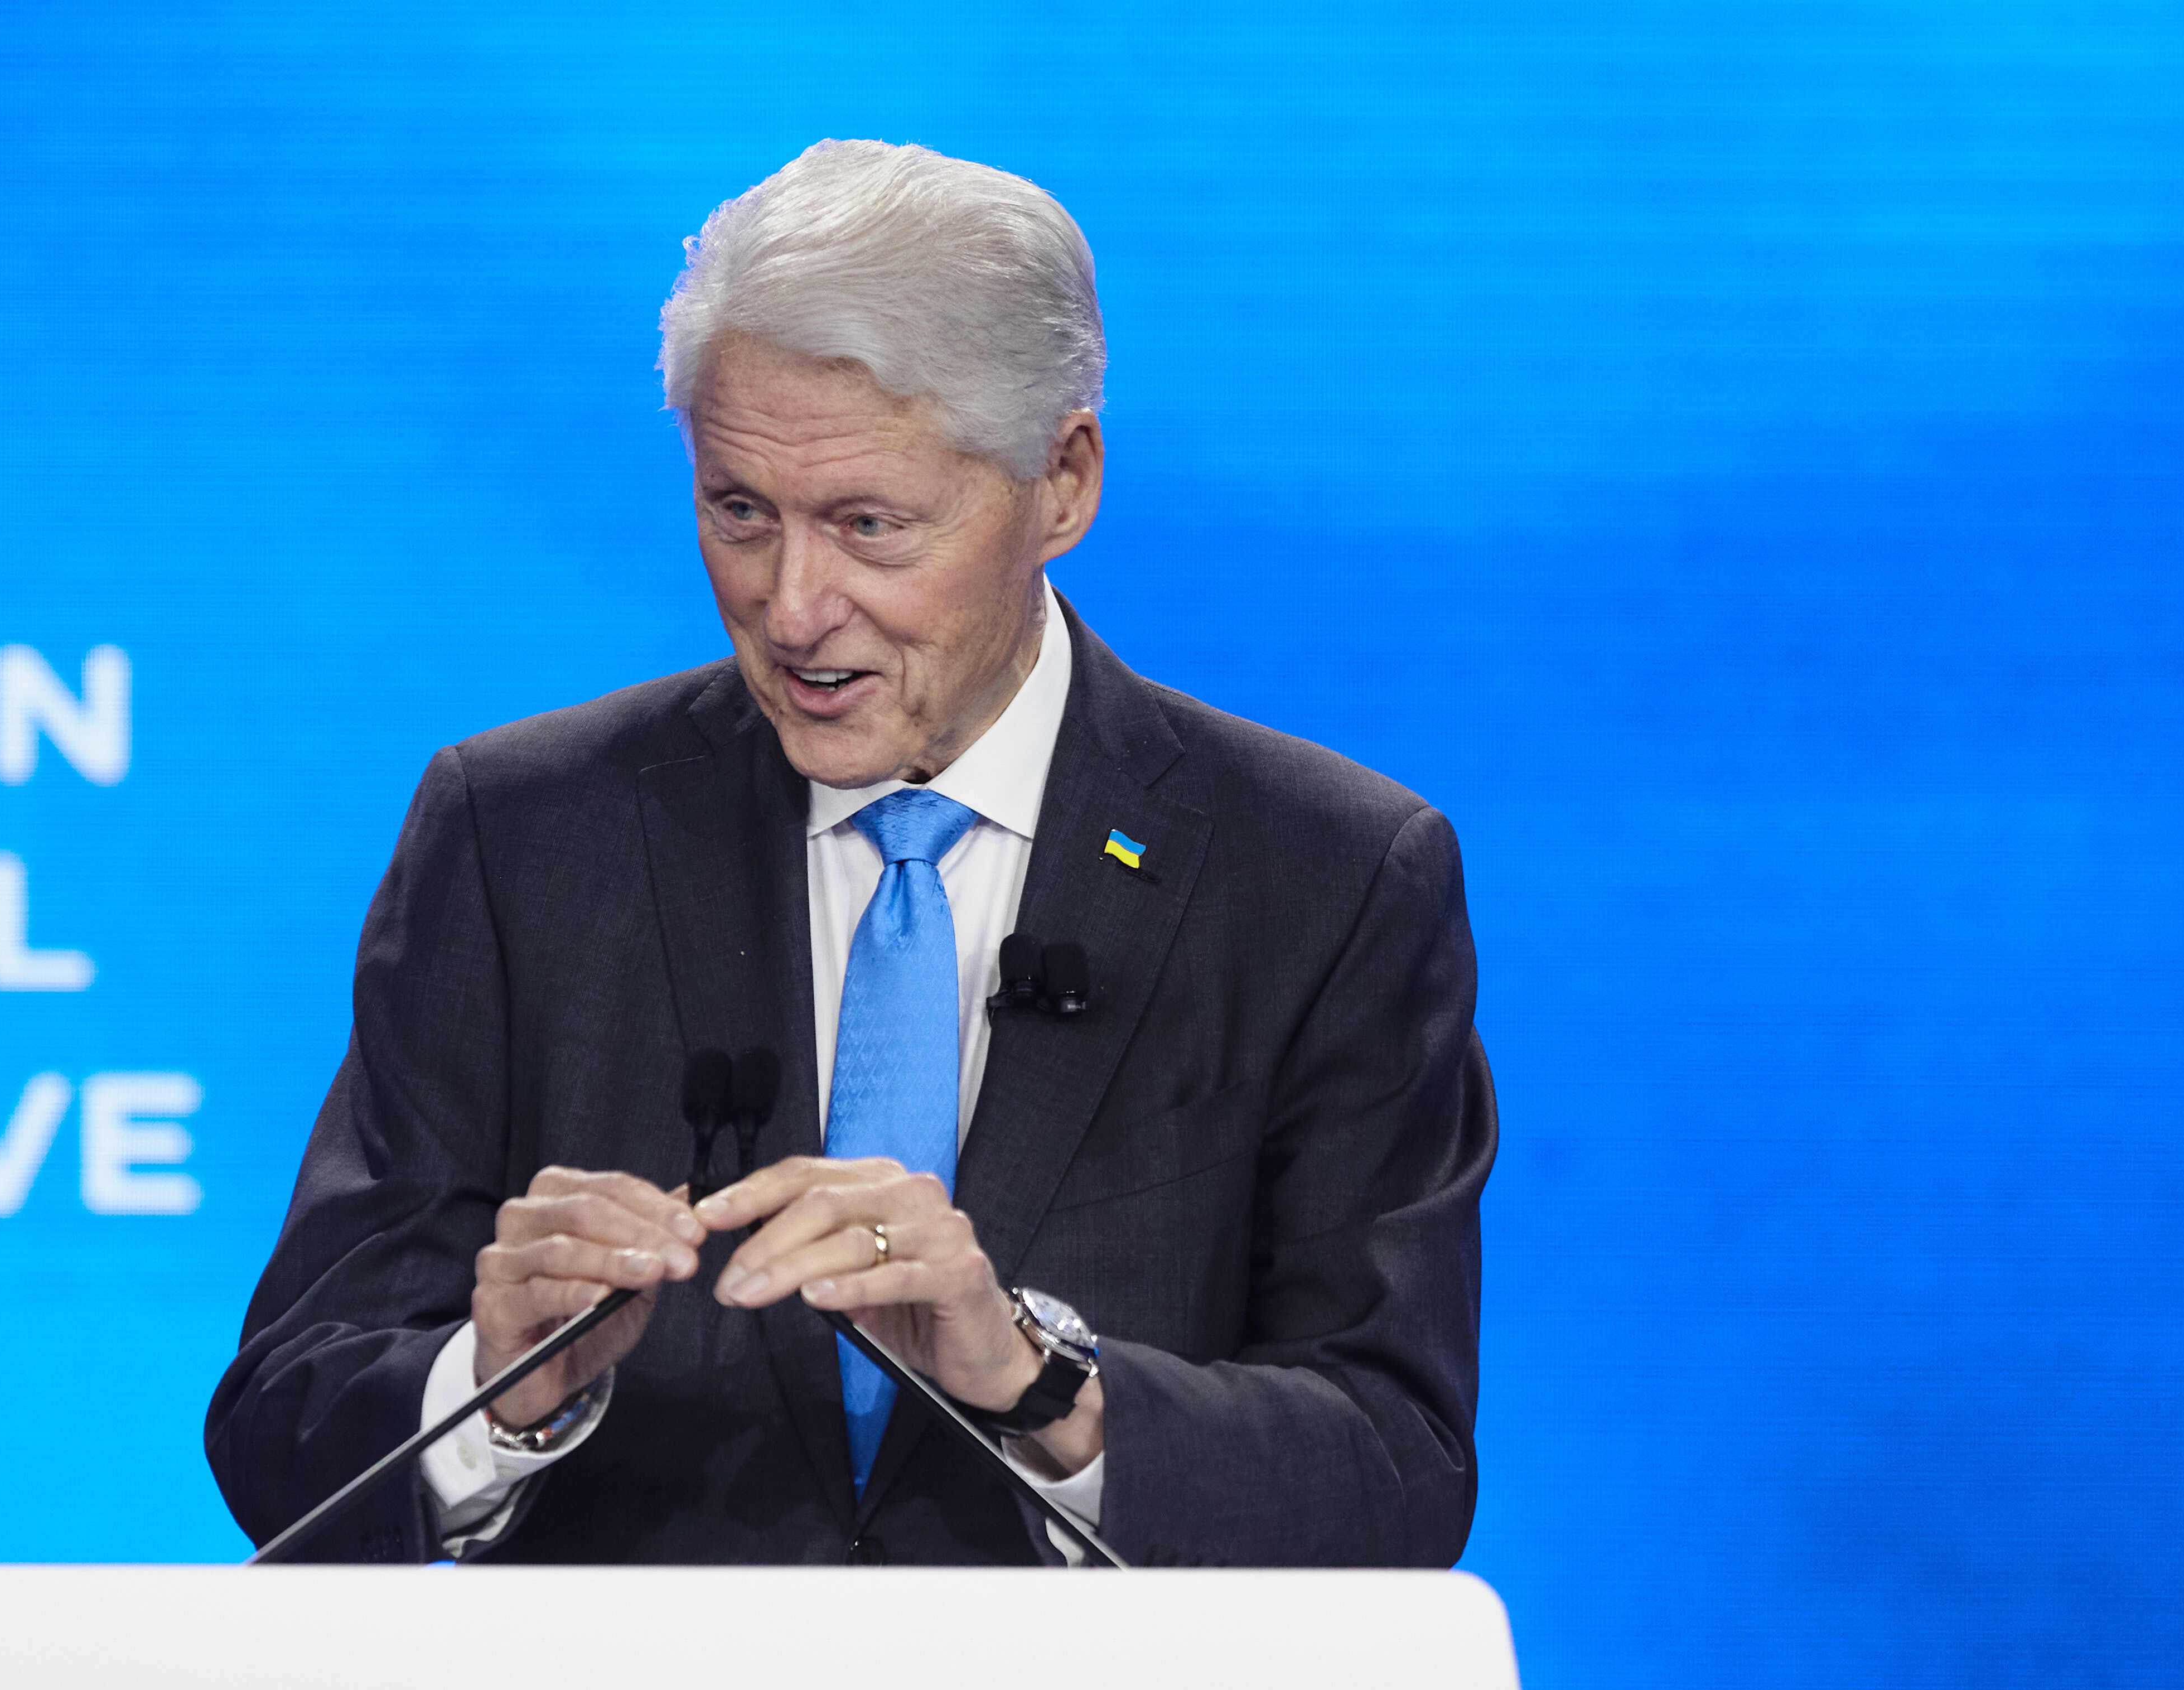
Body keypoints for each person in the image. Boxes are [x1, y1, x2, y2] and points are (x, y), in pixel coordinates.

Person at [209, 137, 1492, 1583]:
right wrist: (493, 1389)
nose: (793, 606)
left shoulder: (1322, 879)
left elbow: (1394, 1480)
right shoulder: (526, 838)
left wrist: (1035, 1382)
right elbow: (286, 1432)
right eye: (739, 511)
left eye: (868, 526)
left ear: (1061, 483)